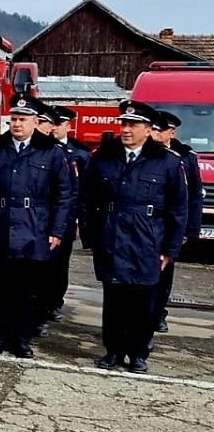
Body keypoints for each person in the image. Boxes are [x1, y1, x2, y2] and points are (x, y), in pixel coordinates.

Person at [81, 100, 187, 373]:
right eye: (124, 124)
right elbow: (86, 198)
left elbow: (178, 209)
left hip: (148, 239)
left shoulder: (167, 162)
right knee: (114, 299)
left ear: (148, 129)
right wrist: (92, 236)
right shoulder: (104, 158)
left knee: (143, 301)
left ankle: (138, 352)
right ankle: (113, 350)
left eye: (133, 125)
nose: (126, 130)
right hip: (112, 236)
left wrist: (170, 249)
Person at [0, 93, 73, 359]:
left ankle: (21, 338)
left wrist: (57, 230)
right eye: (14, 119)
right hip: (2, 224)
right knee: (3, 288)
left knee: (29, 290)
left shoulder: (51, 152)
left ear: (35, 121)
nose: (17, 124)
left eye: (23, 119)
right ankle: (0, 336)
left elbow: (64, 195)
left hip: (35, 228)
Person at [149, 110, 203, 335]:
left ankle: (159, 313)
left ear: (172, 132)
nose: (155, 134)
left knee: (164, 272)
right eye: (153, 129)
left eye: (160, 130)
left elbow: (193, 196)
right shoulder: (145, 154)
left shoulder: (184, 156)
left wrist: (189, 229)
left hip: (170, 224)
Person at [36, 105, 90, 327]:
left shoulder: (80, 154)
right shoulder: (42, 149)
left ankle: (54, 302)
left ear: (68, 126)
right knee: (39, 266)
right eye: (51, 123)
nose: (54, 128)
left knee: (59, 266)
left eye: (59, 123)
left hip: (66, 217)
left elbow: (82, 191)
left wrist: (79, 219)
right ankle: (37, 308)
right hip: (41, 217)